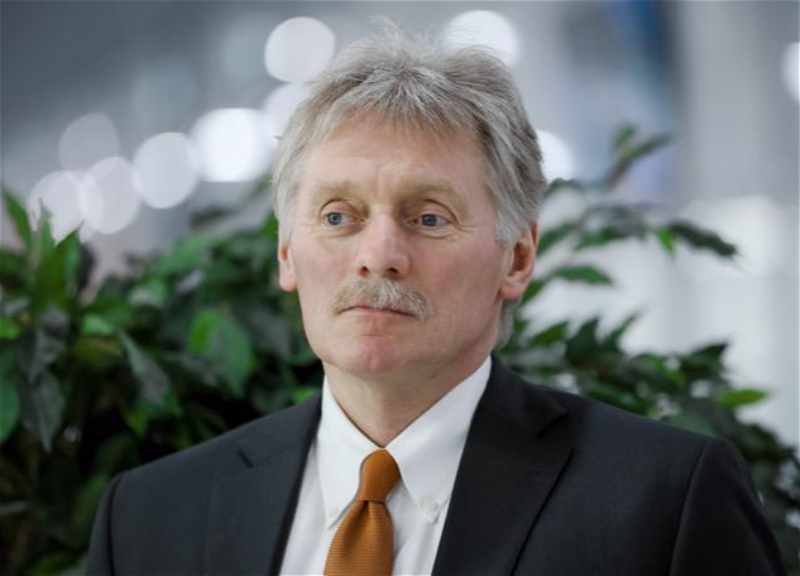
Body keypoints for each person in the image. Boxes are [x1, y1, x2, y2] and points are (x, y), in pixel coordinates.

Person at [87, 22, 785, 576]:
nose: (378, 253)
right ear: (286, 253)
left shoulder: (663, 503)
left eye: (428, 217)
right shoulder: (149, 519)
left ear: (517, 257)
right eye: (338, 216)